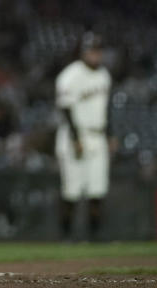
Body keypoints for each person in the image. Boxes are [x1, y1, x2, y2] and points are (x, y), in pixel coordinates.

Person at [55, 32, 112, 241]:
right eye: (92, 50)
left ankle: (95, 238)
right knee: (71, 190)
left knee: (97, 189)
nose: (96, 54)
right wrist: (75, 138)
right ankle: (66, 237)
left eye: (99, 50)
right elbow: (65, 109)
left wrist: (110, 134)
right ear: (83, 51)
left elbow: (107, 108)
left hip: (98, 136)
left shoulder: (104, 75)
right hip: (75, 136)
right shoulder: (70, 76)